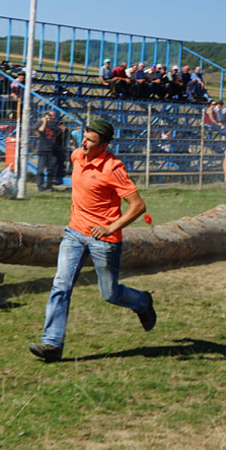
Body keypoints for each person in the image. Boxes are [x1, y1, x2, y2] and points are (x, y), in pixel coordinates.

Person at [29, 117, 156, 362]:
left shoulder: (113, 167)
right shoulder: (77, 155)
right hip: (74, 233)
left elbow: (138, 206)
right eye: (84, 137)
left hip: (103, 241)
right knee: (60, 285)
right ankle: (52, 344)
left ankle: (142, 301)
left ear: (104, 145)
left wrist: (111, 227)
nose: (84, 144)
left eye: (91, 141)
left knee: (110, 294)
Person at [36, 109, 63, 191]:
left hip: (51, 149)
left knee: (50, 169)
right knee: (40, 169)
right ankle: (40, 186)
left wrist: (60, 130)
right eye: (51, 116)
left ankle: (49, 186)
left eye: (53, 116)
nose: (52, 117)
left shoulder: (54, 125)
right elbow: (40, 130)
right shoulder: (41, 122)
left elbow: (54, 134)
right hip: (43, 149)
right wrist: (44, 121)